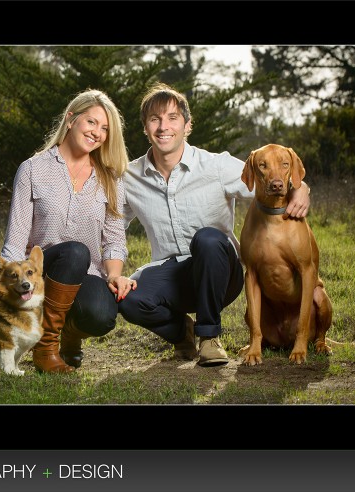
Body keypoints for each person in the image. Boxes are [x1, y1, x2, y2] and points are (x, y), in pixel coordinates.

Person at [118, 83, 311, 367]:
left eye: (172, 118)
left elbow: (270, 183)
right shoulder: (130, 177)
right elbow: (109, 228)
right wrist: (113, 273)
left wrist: (302, 188)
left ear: (187, 125)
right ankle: (181, 333)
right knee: (128, 300)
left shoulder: (217, 166)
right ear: (145, 128)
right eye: (155, 119)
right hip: (173, 274)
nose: (163, 127)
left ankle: (209, 338)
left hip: (221, 271)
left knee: (207, 238)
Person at [0, 88, 135, 373]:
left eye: (105, 128)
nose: (97, 132)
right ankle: (45, 347)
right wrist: (8, 291)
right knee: (75, 251)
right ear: (71, 119)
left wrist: (113, 275)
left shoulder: (110, 178)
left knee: (102, 316)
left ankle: (70, 336)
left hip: (84, 276)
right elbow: (15, 241)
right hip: (38, 277)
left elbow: (113, 240)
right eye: (91, 122)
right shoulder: (33, 170)